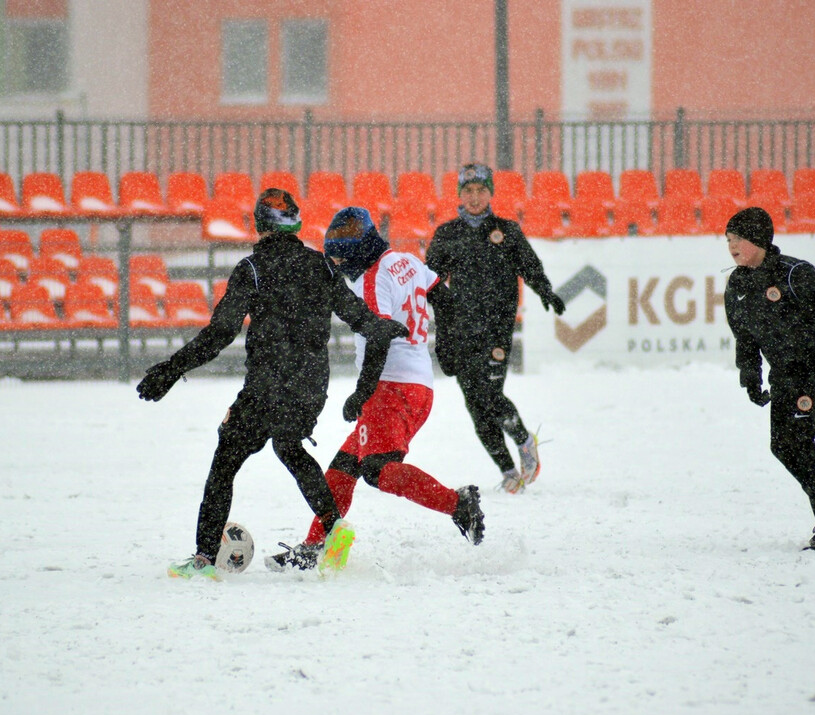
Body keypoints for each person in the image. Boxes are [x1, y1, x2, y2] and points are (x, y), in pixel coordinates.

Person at [137, 189, 408, 579]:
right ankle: (334, 528)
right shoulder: (323, 266)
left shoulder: (252, 269)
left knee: (225, 462)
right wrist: (380, 327)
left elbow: (220, 333)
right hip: (311, 387)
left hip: (267, 384)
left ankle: (202, 560)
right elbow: (360, 318)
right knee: (289, 447)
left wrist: (171, 368)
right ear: (296, 223)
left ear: (258, 225)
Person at [265, 207, 485, 571]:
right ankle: (315, 545)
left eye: (341, 257)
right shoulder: (406, 260)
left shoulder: (372, 279)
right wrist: (446, 343)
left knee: (377, 470)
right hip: (419, 387)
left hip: (390, 386)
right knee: (344, 466)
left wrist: (361, 392)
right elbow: (445, 299)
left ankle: (456, 503)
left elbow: (380, 339)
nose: (339, 265)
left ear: (358, 250)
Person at [723, 206, 815, 552]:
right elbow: (744, 336)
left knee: (797, 441)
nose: (731, 246)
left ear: (758, 239)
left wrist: (808, 344)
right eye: (727, 239)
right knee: (783, 445)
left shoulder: (793, 273)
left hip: (813, 369)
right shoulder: (738, 284)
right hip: (784, 372)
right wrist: (751, 377)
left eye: (737, 238)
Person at [425, 163, 566, 493]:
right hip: (461, 330)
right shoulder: (447, 234)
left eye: (481, 191)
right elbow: (428, 281)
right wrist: (436, 314)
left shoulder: (507, 231)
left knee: (488, 395)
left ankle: (523, 440)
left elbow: (529, 267)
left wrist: (546, 291)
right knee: (474, 405)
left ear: (491, 193)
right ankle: (507, 471)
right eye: (468, 192)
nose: (474, 198)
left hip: (497, 329)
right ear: (459, 195)